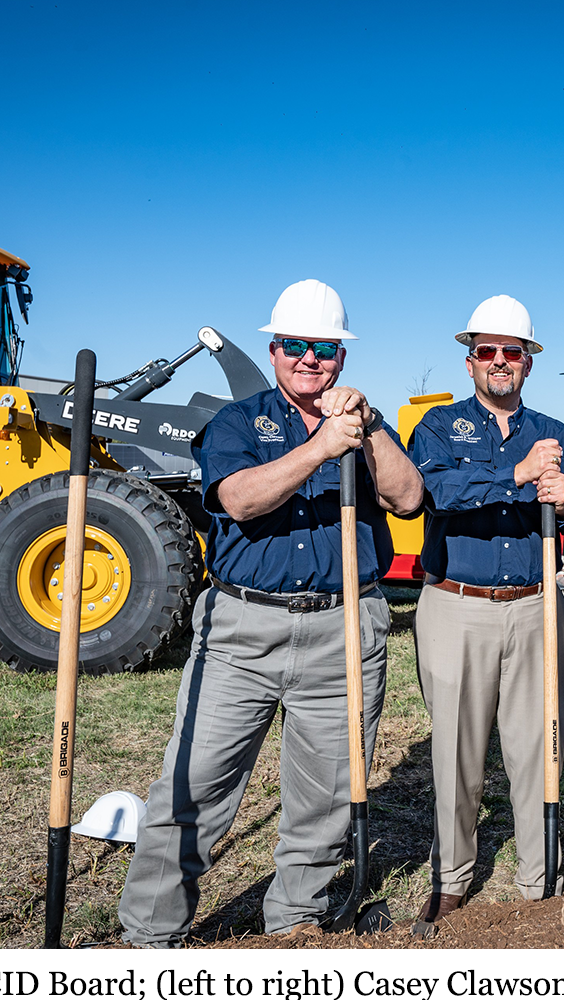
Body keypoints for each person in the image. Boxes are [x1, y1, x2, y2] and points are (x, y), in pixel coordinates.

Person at [118, 279, 423, 946]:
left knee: (326, 796)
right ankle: (148, 937)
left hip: (343, 628)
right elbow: (240, 500)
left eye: (324, 348)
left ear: (342, 356)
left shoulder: (367, 427)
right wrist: (321, 448)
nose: (310, 359)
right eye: (294, 345)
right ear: (274, 350)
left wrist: (367, 429)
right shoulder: (238, 422)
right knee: (194, 785)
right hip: (242, 631)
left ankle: (295, 925)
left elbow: (407, 499)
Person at [407, 294, 564, 932]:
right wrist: (517, 474)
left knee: (537, 747)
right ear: (469, 361)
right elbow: (434, 491)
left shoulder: (556, 436)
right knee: (455, 751)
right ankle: (452, 877)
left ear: (528, 362)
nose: (499, 361)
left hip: (535, 605)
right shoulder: (439, 427)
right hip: (457, 604)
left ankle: (537, 880)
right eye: (486, 350)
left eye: (511, 352)